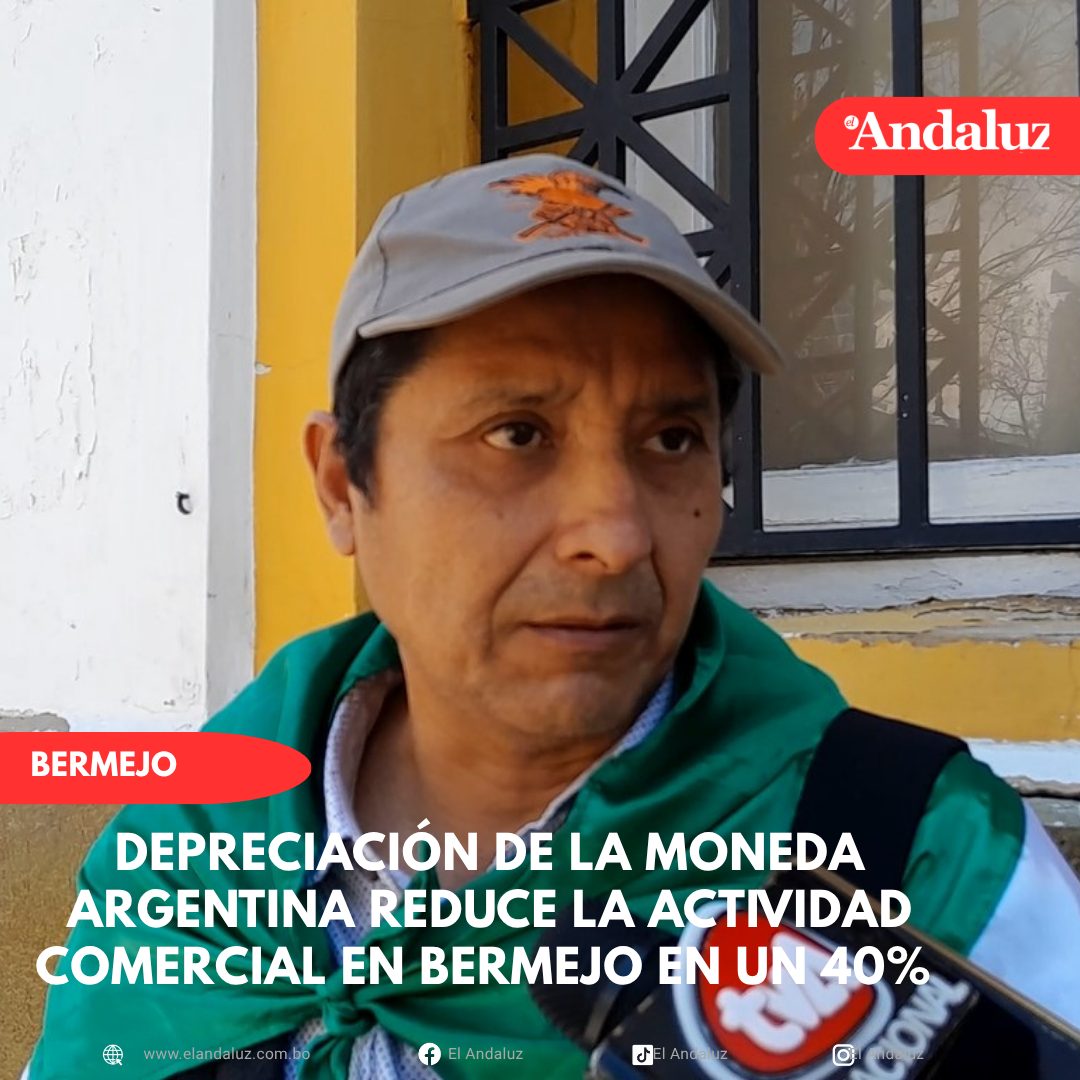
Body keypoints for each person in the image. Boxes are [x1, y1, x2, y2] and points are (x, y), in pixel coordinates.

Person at [25, 155, 1080, 1080]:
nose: (615, 536)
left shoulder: (914, 853)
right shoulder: (190, 846)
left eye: (671, 440)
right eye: (518, 434)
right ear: (343, 484)